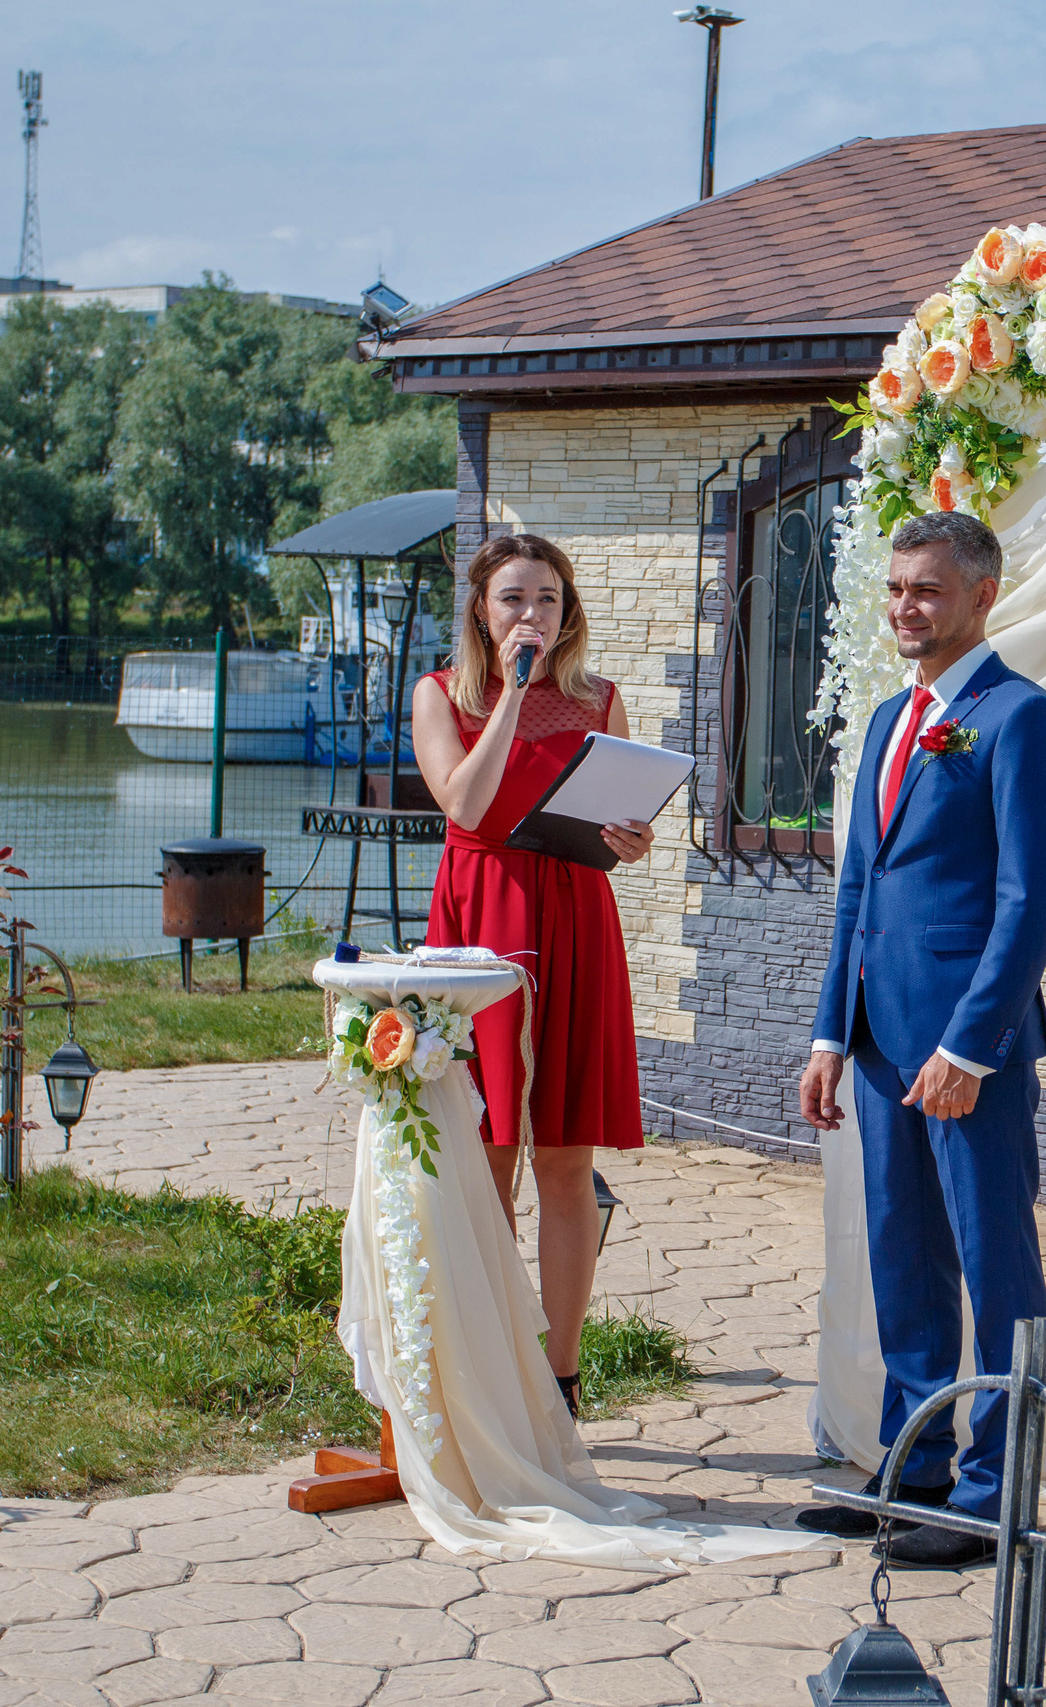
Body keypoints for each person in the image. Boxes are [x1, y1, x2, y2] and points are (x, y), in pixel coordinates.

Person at [793, 510, 1046, 1570]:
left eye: (925, 588)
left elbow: (1027, 904)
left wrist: (970, 1047)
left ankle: (992, 1494)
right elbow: (857, 892)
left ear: (980, 595)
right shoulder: (885, 721)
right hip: (877, 1044)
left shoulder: (1020, 722)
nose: (905, 606)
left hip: (969, 1052)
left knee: (990, 1260)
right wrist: (831, 1029)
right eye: (895, 587)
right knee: (901, 1260)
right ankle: (911, 1470)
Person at [412, 533, 655, 1419]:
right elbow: (467, 803)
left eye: (548, 599)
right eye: (514, 598)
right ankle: (487, 1359)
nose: (532, 615)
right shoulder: (439, 695)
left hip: (577, 916)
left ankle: (559, 1373)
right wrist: (513, 692)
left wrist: (633, 840)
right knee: (488, 1153)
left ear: (568, 609)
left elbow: (621, 823)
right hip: (484, 925)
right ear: (483, 607)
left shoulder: (601, 699)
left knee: (564, 1154)